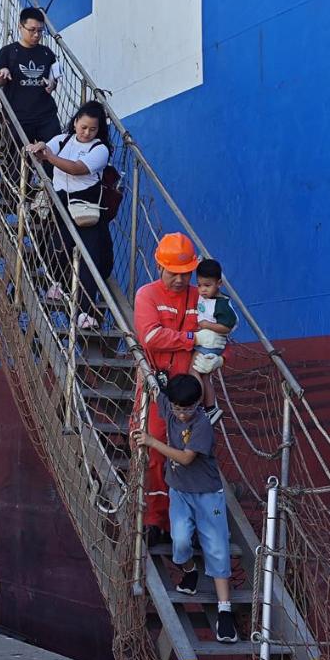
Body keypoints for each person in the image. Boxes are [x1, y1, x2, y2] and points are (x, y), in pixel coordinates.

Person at [131, 373, 239, 643]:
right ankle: (190, 571)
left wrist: (153, 442)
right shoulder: (171, 405)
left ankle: (225, 612)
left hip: (207, 494)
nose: (181, 415)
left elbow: (187, 458)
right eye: (178, 409)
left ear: (197, 404)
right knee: (179, 543)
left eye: (187, 409)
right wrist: (150, 376)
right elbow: (158, 394)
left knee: (217, 548)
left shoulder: (202, 424)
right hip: (179, 492)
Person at [131, 232, 201, 542]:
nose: (179, 279)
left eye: (185, 274)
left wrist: (203, 346)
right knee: (155, 447)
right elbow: (150, 337)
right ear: (159, 267)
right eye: (173, 272)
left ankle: (181, 523)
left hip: (190, 393)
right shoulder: (147, 295)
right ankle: (155, 519)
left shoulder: (202, 298)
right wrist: (190, 340)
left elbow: (217, 342)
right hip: (157, 391)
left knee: (190, 453)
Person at [26, 100, 113, 330]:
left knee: (88, 257)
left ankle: (87, 312)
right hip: (60, 203)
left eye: (92, 129)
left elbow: (76, 168)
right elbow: (48, 145)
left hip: (86, 207)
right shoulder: (64, 139)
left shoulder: (100, 149)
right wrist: (40, 146)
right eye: (83, 127)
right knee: (55, 245)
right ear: (75, 123)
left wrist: (47, 157)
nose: (86, 133)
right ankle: (60, 285)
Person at [0, 7, 62, 181]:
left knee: (53, 155)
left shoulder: (48, 54)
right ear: (20, 27)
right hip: (18, 117)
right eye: (32, 30)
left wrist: (51, 84)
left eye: (40, 31)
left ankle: (50, 197)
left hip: (45, 116)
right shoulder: (8, 52)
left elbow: (54, 79)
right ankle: (18, 199)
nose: (36, 35)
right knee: (16, 161)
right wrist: (3, 74)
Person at [192, 258, 238, 424]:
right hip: (204, 342)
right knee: (205, 378)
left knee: (193, 371)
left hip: (210, 344)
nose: (202, 290)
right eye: (199, 285)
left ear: (219, 283)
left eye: (207, 285)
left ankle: (196, 406)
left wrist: (207, 325)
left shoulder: (222, 304)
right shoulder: (206, 297)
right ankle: (211, 408)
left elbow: (228, 326)